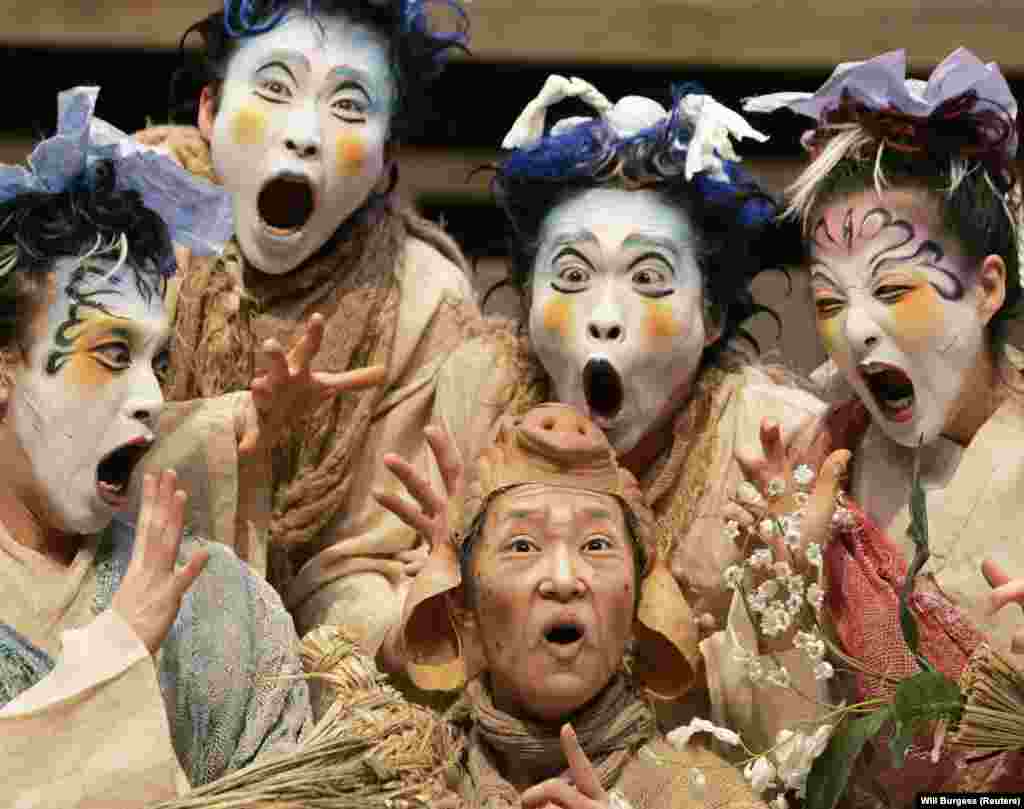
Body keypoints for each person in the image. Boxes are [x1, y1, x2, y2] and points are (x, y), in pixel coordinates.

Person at [400, 77, 829, 746]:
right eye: (570, 276)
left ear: (710, 315)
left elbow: (798, 739)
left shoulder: (771, 441)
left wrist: (779, 596)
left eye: (650, 279)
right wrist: (448, 583)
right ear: (526, 295)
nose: (603, 318)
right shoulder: (477, 393)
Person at [132, 0, 483, 665]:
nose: (304, 134)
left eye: (349, 107)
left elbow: (364, 559)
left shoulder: (422, 302)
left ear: (384, 164)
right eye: (272, 88)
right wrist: (244, 427)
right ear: (209, 110)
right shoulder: (126, 222)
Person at [0, 87, 322, 806]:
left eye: (160, 361)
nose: (150, 394)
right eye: (113, 353)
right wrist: (116, 654)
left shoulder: (227, 604)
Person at [740, 48, 1024, 801]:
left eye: (893, 288)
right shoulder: (815, 458)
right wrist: (783, 577)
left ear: (987, 286)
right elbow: (765, 744)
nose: (857, 331)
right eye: (831, 303)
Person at [381, 402, 768, 809]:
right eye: (523, 545)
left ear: (640, 597)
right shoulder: (404, 777)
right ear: (463, 599)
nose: (564, 580)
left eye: (596, 545)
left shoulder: (708, 797)